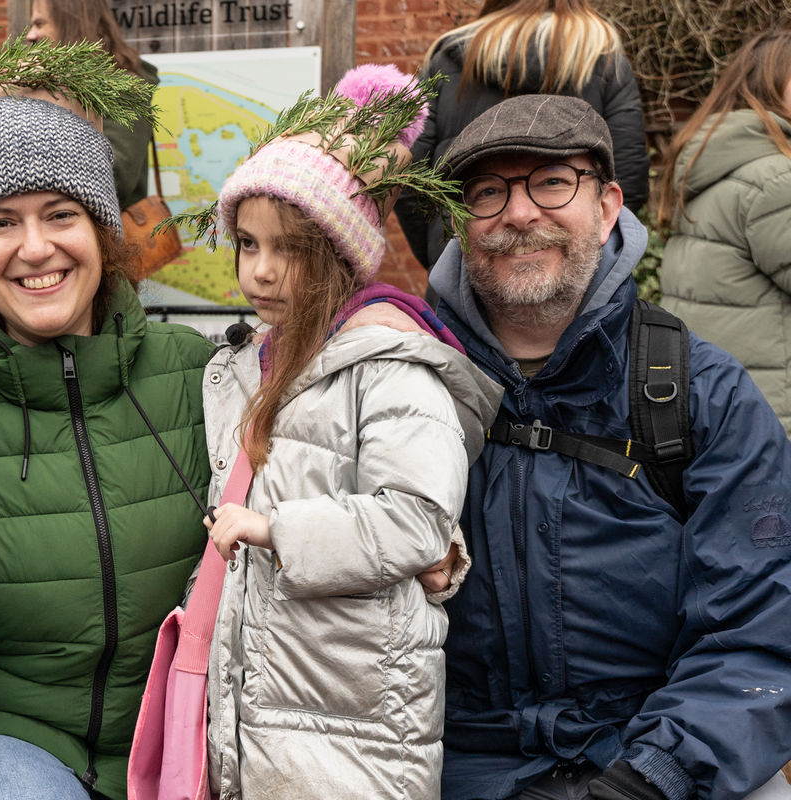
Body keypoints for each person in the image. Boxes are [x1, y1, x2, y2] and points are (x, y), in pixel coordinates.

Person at [427, 94, 791, 799]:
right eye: (488, 192)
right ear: (459, 222)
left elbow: (759, 627)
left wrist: (653, 778)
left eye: (552, 182)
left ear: (607, 204)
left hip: (661, 761)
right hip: (455, 768)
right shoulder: (405, 386)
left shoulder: (699, 392)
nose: (520, 213)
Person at [0, 36, 213, 800]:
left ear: (103, 232)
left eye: (60, 214)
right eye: (0, 222)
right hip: (12, 737)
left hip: (183, 730)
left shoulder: (194, 370)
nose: (35, 247)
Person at [197, 66, 502, 798]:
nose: (260, 271)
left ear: (339, 252)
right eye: (246, 243)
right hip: (264, 705)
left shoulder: (392, 364)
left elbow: (419, 518)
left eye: (291, 249)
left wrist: (274, 530)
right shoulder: (244, 366)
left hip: (360, 721)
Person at [394, 0, 649, 270]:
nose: (519, 214)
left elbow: (407, 175)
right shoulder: (599, 52)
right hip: (576, 279)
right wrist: (595, 258)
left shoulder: (449, 56)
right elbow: (627, 174)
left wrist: (442, 254)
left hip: (465, 263)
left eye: (552, 182)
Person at [656, 29, 791, 438]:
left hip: (721, 406)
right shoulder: (775, 179)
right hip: (777, 413)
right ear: (772, 87)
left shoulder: (709, 161)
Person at [25, 0, 158, 210]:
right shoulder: (42, 84)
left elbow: (114, 178)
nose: (30, 35)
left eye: (39, 24)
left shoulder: (123, 87)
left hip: (105, 238)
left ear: (71, 25)